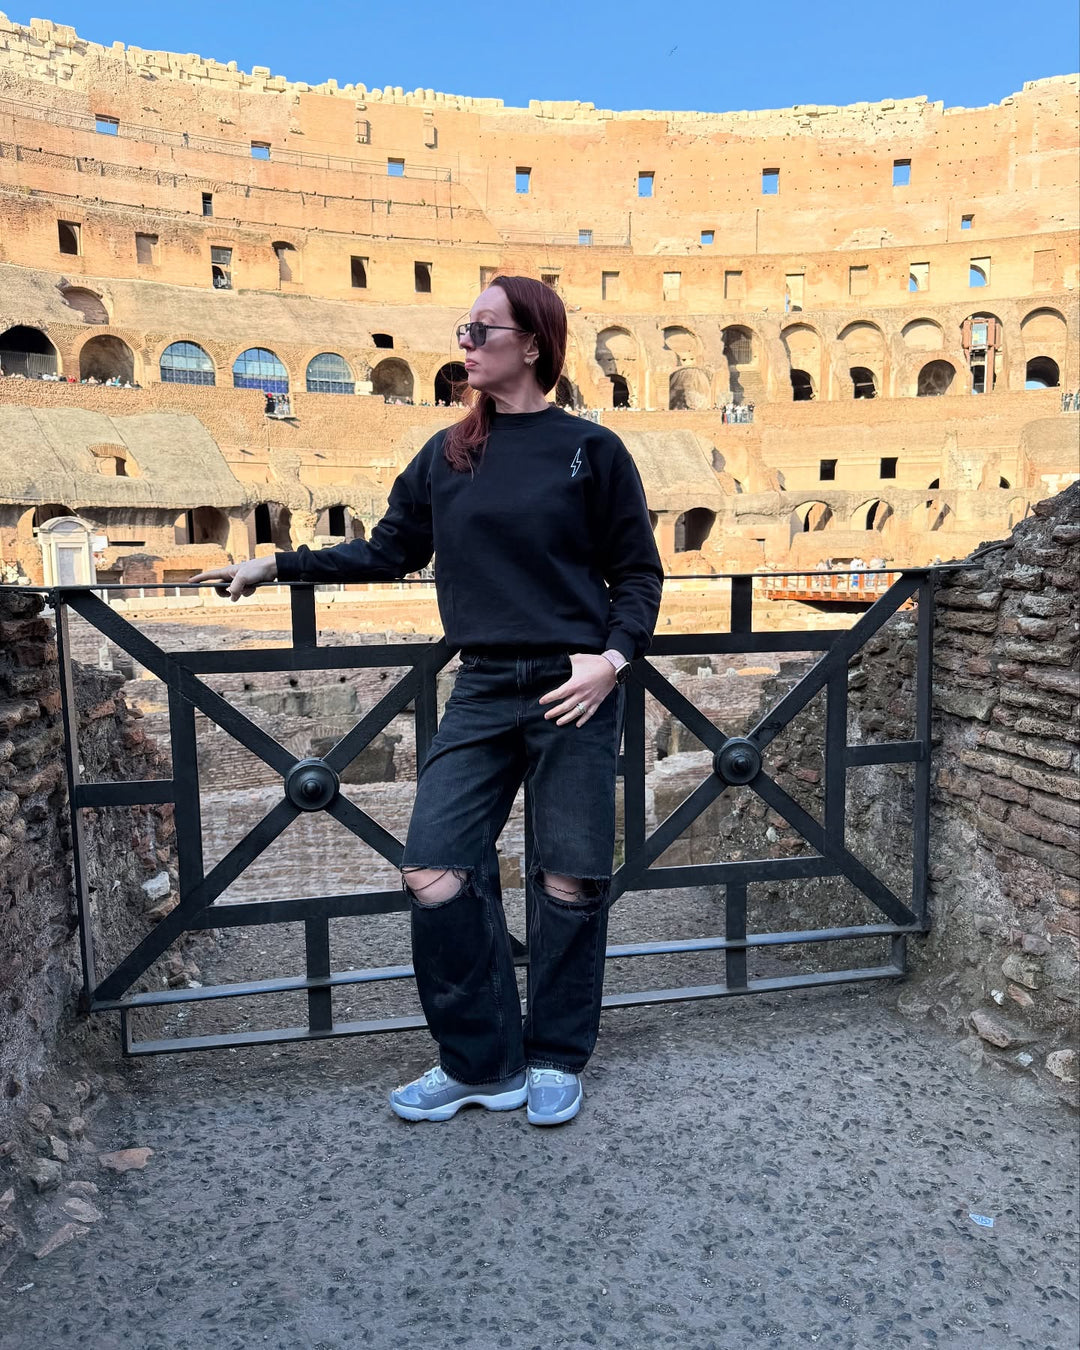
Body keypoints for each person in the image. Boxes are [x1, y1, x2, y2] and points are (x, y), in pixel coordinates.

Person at [191, 276, 663, 1128]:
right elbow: (388, 549)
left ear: (533, 344)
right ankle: (483, 1061)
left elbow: (637, 574)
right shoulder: (450, 453)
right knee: (434, 869)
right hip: (481, 683)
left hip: (576, 685)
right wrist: (275, 564)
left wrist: (612, 661)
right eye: (464, 329)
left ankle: (556, 1054)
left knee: (569, 879)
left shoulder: (592, 450)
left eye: (483, 329)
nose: (466, 344)